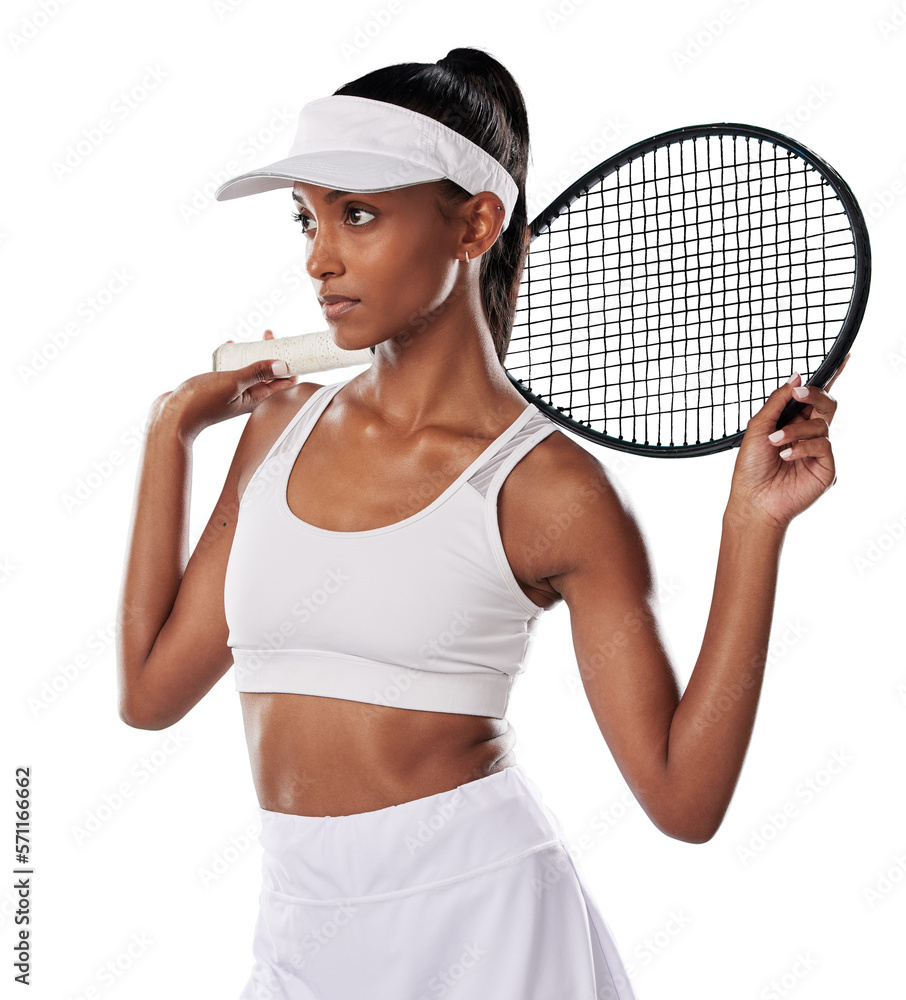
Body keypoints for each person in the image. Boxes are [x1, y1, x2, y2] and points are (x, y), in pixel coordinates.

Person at [116, 47, 848, 1000]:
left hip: (491, 939)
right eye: (307, 217)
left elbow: (684, 797)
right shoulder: (275, 429)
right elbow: (149, 694)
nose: (318, 256)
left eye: (360, 213)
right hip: (299, 940)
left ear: (475, 224)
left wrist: (754, 527)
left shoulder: (549, 490)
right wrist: (167, 432)